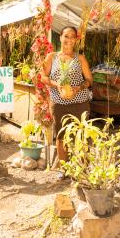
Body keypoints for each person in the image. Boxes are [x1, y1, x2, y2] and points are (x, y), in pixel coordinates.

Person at [41, 26, 93, 166]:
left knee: (80, 134)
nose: (68, 40)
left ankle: (82, 167)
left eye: (72, 37)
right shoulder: (52, 57)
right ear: (60, 37)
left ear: (76, 40)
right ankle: (64, 169)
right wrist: (56, 84)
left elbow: (89, 80)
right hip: (59, 104)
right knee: (61, 135)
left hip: (80, 104)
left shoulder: (80, 58)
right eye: (66, 36)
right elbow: (43, 77)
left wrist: (78, 87)